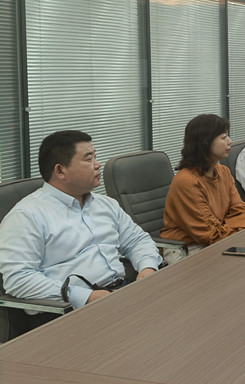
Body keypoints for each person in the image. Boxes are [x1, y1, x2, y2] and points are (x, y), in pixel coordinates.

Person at [0, 130, 160, 321]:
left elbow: (137, 241)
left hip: (120, 293)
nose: (98, 164)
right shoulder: (27, 216)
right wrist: (85, 297)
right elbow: (18, 279)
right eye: (88, 159)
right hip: (68, 311)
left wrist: (147, 268)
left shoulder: (105, 204)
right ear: (60, 171)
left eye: (95, 157)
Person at [162, 114, 245, 245]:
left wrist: (241, 231)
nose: (230, 141)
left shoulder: (224, 172)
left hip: (223, 239)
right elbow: (210, 234)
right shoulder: (187, 181)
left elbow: (240, 211)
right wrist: (241, 231)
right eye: (223, 137)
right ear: (205, 142)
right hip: (190, 248)